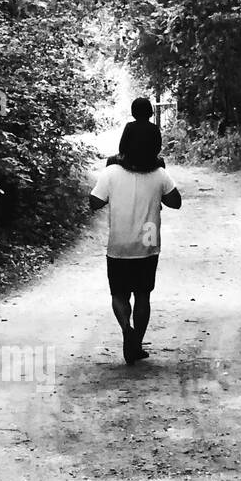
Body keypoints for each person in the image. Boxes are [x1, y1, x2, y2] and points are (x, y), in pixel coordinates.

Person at [90, 98, 181, 365]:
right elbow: (176, 202)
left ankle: (127, 333)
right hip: (148, 244)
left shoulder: (112, 172)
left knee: (119, 295)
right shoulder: (159, 174)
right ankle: (136, 343)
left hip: (118, 244)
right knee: (143, 295)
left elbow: (94, 203)